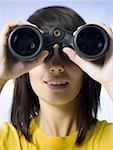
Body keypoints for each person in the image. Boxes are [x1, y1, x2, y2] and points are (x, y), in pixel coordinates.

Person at [0, 6, 113, 150]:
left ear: (86, 63)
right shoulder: (5, 141)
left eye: (67, 54)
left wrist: (111, 81)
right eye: (44, 55)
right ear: (26, 68)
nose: (56, 66)